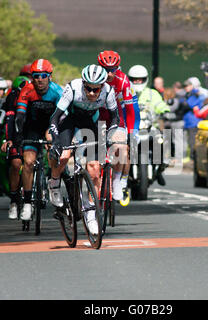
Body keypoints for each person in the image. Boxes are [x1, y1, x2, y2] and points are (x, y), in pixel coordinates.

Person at [48, 64, 120, 235]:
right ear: (83, 84)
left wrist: (109, 135)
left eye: (96, 90)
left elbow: (115, 117)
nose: (92, 93)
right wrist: (56, 141)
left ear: (102, 86)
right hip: (69, 121)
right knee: (64, 156)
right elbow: (55, 117)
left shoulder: (108, 91)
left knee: (95, 169)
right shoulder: (73, 88)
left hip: (90, 123)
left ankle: (91, 215)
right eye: (88, 88)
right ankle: (54, 183)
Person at [14, 59, 63, 221]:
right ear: (32, 77)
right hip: (32, 128)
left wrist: (58, 138)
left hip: (50, 126)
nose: (39, 79)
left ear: (50, 76)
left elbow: (61, 117)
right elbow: (20, 116)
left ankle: (53, 179)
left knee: (53, 149)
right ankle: (27, 203)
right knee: (28, 162)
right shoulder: (27, 90)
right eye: (36, 76)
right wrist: (18, 135)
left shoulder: (57, 92)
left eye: (43, 76)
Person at [97, 50, 139, 200]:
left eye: (112, 70)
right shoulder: (95, 78)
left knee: (122, 150)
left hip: (117, 117)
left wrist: (133, 132)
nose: (109, 74)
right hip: (99, 116)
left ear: (118, 68)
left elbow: (131, 110)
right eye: (106, 70)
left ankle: (117, 181)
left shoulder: (123, 81)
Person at [127, 64, 170, 185]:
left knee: (162, 141)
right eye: (135, 80)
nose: (137, 82)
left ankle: (160, 167)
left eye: (140, 79)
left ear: (145, 79)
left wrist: (165, 110)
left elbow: (159, 104)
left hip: (150, 126)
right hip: (132, 127)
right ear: (130, 79)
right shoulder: (126, 92)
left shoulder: (152, 93)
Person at [0, 74, 31, 219]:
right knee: (16, 163)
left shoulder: (35, 96)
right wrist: (8, 139)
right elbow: (10, 121)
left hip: (32, 133)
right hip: (16, 135)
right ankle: (13, 201)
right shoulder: (12, 98)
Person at [180, 77, 208, 161]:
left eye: (188, 86)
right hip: (189, 122)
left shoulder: (197, 94)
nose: (186, 88)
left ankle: (194, 159)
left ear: (192, 86)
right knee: (190, 141)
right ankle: (192, 158)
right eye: (185, 86)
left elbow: (191, 104)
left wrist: (184, 103)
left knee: (193, 142)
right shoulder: (188, 94)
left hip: (194, 122)